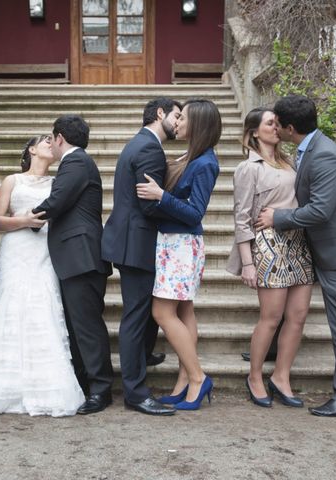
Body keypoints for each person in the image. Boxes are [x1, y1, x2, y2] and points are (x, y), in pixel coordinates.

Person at [255, 95, 336, 417]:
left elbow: (321, 211)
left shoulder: (324, 156)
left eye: (277, 124)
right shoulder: (309, 148)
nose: (274, 128)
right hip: (326, 248)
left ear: (290, 128)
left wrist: (277, 218)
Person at [0, 135, 85, 417]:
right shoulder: (13, 180)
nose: (51, 143)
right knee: (13, 306)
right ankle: (6, 386)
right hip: (16, 249)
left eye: (53, 140)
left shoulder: (58, 183)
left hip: (45, 251)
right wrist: (23, 221)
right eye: (44, 140)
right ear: (31, 150)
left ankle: (47, 386)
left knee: (43, 306)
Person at [136, 99, 221, 410]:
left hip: (182, 245)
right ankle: (184, 382)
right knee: (184, 312)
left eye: (182, 118)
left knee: (162, 313)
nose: (176, 122)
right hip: (176, 243)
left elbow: (195, 212)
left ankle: (198, 378)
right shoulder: (193, 156)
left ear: (196, 123)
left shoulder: (206, 163)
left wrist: (161, 196)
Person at [227, 107, 314, 408]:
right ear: (254, 131)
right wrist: (247, 263)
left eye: (278, 123)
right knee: (271, 317)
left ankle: (281, 376)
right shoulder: (248, 168)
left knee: (299, 315)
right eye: (269, 123)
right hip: (267, 245)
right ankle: (254, 377)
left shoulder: (290, 161)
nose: (276, 128)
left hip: (298, 243)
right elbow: (240, 220)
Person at [101, 97, 182, 416]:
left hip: (131, 239)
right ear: (160, 114)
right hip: (136, 243)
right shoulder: (149, 148)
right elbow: (149, 203)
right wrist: (179, 205)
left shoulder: (139, 143)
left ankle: (144, 357)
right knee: (135, 316)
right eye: (177, 116)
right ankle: (135, 392)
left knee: (144, 312)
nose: (179, 123)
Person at [32, 115, 114, 415]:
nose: (50, 145)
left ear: (59, 138)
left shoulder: (76, 162)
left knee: (87, 326)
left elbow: (56, 201)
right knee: (78, 326)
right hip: (75, 257)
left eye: (51, 140)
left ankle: (101, 389)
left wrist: (23, 220)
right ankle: (86, 382)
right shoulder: (77, 162)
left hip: (82, 257)